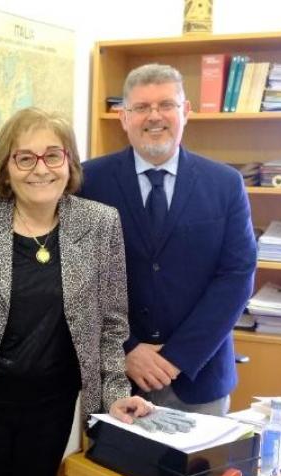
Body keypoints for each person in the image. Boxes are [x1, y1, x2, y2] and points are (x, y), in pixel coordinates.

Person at [0, 107, 152, 476]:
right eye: (24, 157)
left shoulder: (100, 223)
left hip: (51, 408)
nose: (40, 169)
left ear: (69, 162)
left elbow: (112, 323)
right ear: (6, 168)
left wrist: (114, 392)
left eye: (52, 155)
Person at [79, 63, 257, 416]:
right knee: (114, 471)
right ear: (123, 117)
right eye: (141, 107)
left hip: (200, 378)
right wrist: (126, 350)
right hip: (116, 378)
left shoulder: (225, 184)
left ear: (186, 112)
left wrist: (177, 358)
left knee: (201, 472)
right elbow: (80, 278)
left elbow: (237, 277)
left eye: (166, 105)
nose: (154, 116)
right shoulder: (88, 182)